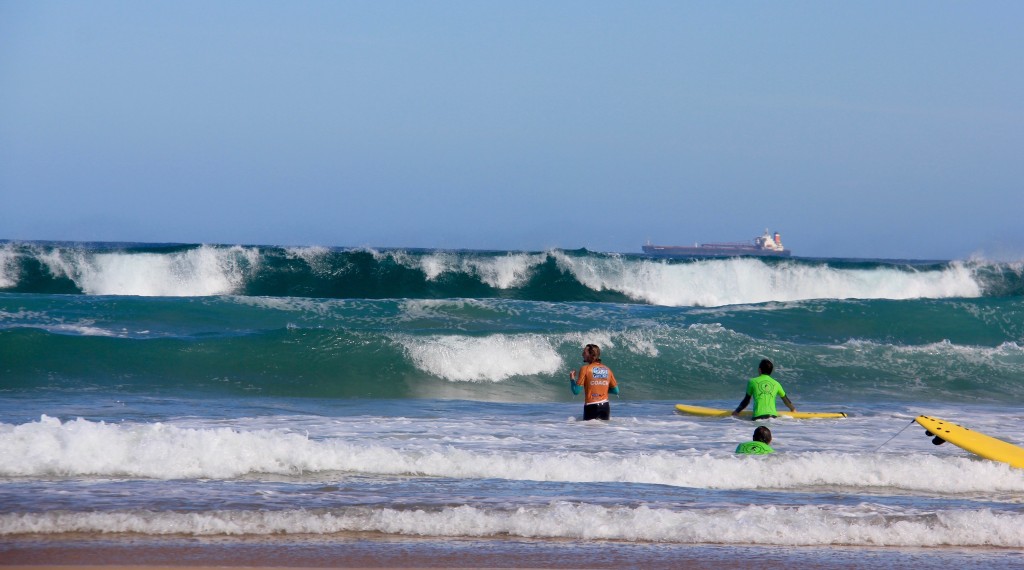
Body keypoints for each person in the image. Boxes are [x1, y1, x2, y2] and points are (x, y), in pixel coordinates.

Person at [731, 359, 795, 420]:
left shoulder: (752, 381)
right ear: (771, 371)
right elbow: (786, 400)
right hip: (773, 417)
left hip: (758, 417)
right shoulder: (776, 384)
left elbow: (746, 400)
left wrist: (737, 411)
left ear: (759, 370)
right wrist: (793, 409)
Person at [569, 343, 619, 420]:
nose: (582, 354)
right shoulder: (607, 369)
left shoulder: (585, 369)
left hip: (591, 407)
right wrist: (601, 389)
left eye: (584, 352)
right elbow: (616, 391)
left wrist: (572, 379)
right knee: (602, 431)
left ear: (591, 355)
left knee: (588, 431)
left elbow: (576, 391)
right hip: (605, 406)